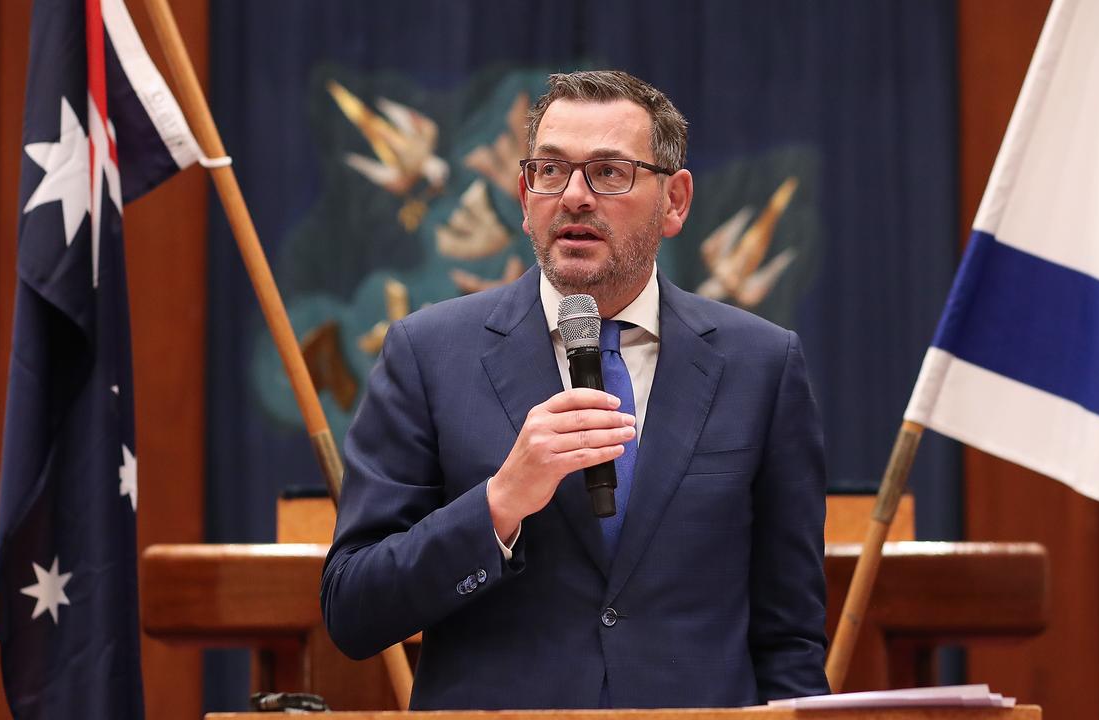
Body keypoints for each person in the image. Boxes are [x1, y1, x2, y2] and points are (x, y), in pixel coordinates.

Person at [321, 69, 829, 710]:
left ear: (674, 201)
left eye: (610, 172)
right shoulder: (428, 355)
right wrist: (500, 504)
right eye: (551, 171)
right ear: (523, 193)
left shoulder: (760, 363)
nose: (575, 197)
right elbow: (353, 608)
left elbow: (790, 639)